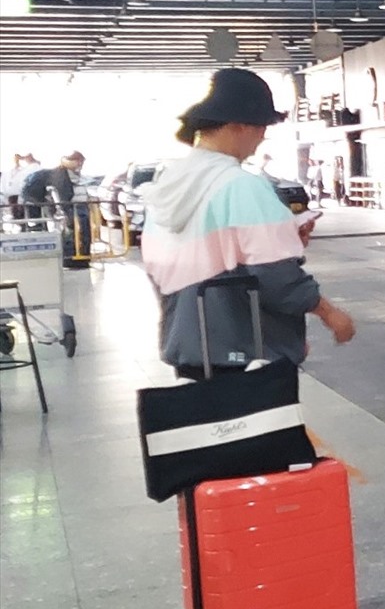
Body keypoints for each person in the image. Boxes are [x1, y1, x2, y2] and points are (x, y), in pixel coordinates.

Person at [141, 69, 355, 378]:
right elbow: (276, 273)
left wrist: (284, 234)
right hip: (247, 354)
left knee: (204, 424)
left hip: (188, 346)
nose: (262, 137)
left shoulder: (167, 186)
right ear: (239, 125)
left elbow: (180, 263)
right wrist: (329, 313)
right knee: (261, 426)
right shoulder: (240, 185)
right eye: (261, 127)